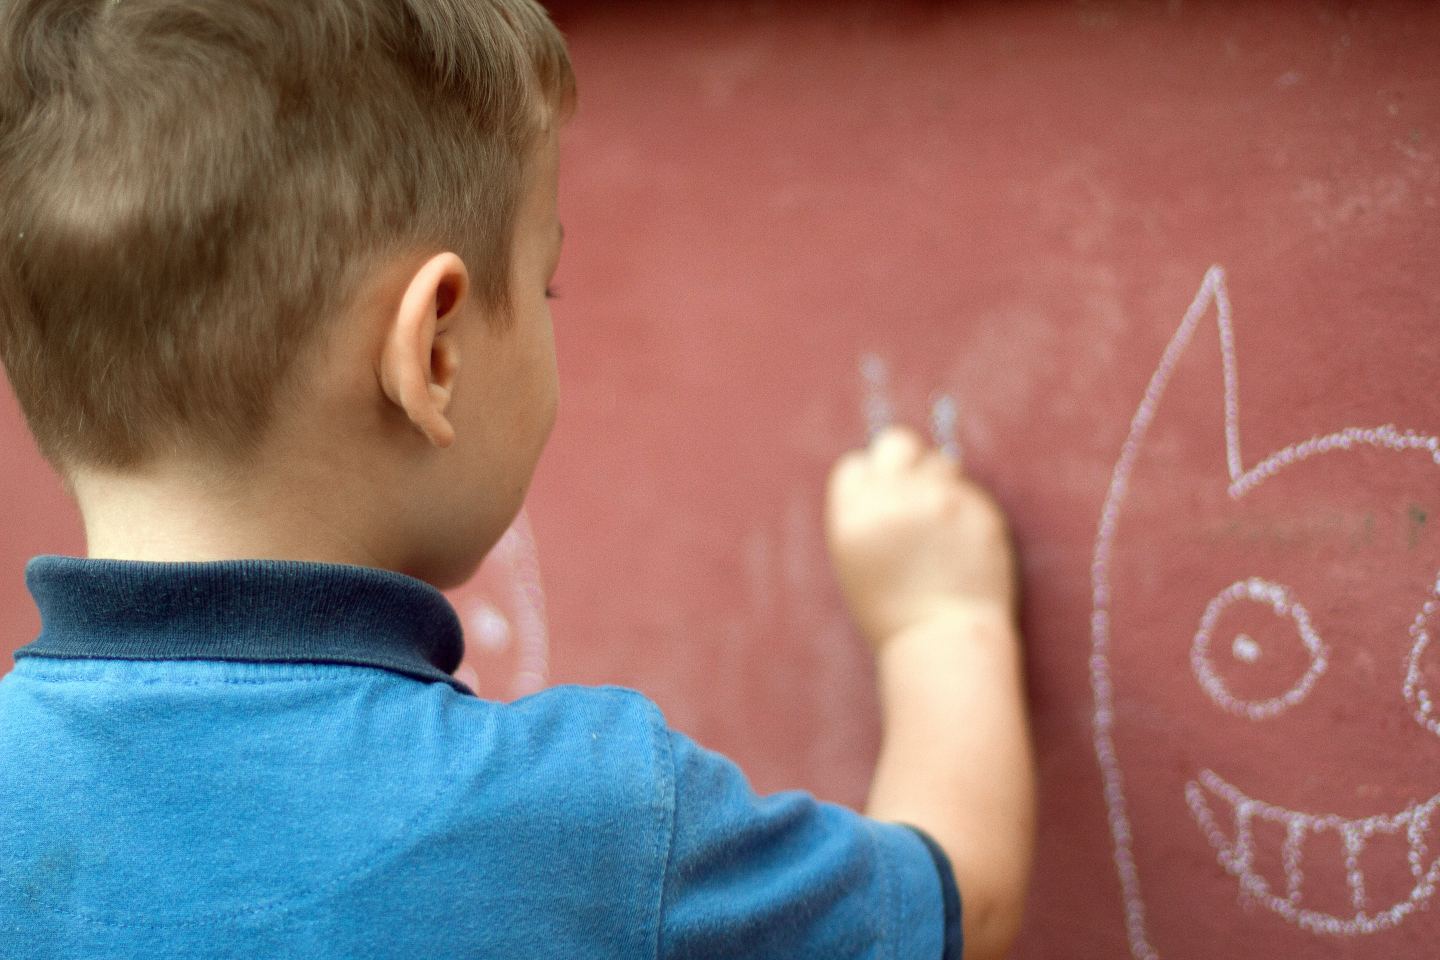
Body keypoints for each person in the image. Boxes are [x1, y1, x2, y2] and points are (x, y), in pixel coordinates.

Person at [0, 1, 1034, 957]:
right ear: (434, 350)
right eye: (547, 284)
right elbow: (963, 902)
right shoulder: (594, 825)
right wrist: (941, 624)